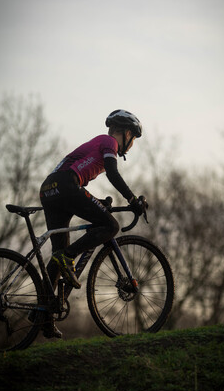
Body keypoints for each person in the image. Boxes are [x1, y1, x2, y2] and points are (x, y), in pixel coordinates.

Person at [39, 110, 147, 338]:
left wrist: (98, 203)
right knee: (111, 227)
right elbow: (112, 174)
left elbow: (75, 178)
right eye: (134, 139)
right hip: (67, 186)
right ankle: (67, 256)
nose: (132, 144)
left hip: (50, 189)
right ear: (127, 133)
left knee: (57, 256)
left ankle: (44, 316)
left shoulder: (97, 142)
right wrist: (132, 199)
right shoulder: (109, 142)